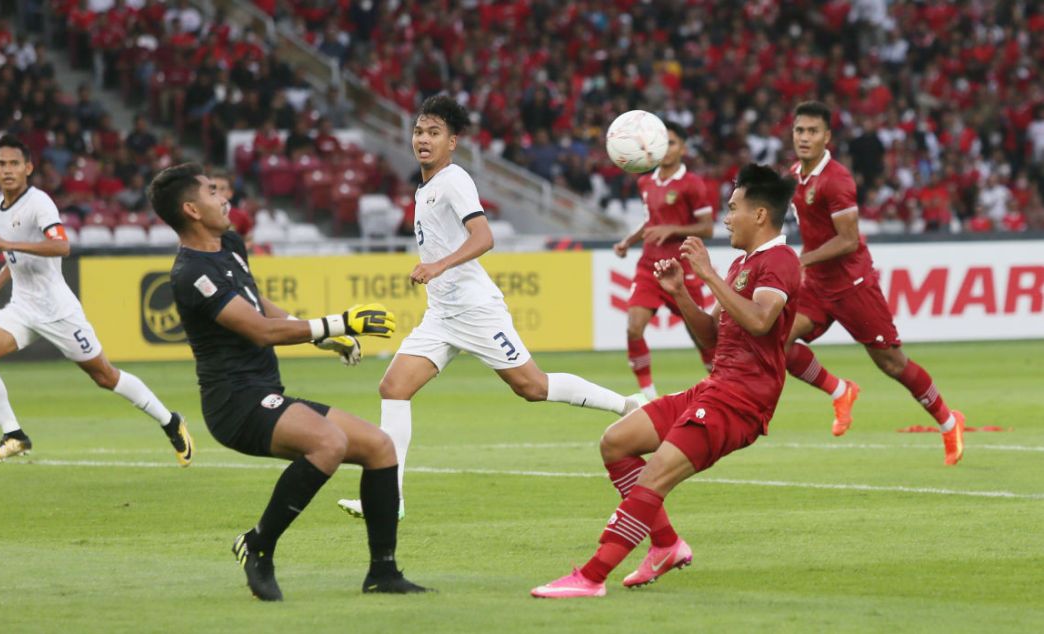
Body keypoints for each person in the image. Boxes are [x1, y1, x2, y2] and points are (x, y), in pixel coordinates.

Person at [338, 96, 639, 519]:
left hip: (475, 310)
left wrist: (438, 266)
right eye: (419, 131)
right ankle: (390, 500)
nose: (423, 139)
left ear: (453, 142)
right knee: (394, 388)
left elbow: (484, 237)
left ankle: (628, 406)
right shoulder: (426, 186)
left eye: (434, 132)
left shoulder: (453, 179)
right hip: (442, 314)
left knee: (532, 387)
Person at [147, 163, 428, 600]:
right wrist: (339, 320)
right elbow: (257, 329)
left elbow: (257, 304)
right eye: (212, 192)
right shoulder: (190, 275)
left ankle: (383, 573)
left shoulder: (230, 244)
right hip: (234, 404)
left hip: (263, 393)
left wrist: (325, 337)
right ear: (191, 210)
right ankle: (257, 545)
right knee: (329, 443)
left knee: (379, 447)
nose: (225, 198)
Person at [531, 164, 800, 598]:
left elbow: (761, 320)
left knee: (654, 478)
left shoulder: (782, 262)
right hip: (717, 386)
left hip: (741, 401)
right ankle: (665, 544)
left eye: (733, 209)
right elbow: (712, 336)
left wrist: (708, 274)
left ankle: (592, 576)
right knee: (616, 442)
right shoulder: (742, 265)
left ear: (761, 215)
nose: (726, 218)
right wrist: (681, 293)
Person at [0, 135, 193, 465]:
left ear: (28, 168)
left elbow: (61, 247)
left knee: (105, 376)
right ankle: (14, 434)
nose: (8, 169)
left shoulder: (39, 202)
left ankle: (170, 421)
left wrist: (6, 245)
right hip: (22, 307)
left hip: (57, 310)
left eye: (15, 163)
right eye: (1, 164)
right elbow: (15, 254)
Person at [784, 101, 964, 464]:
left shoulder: (837, 180)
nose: (805, 137)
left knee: (892, 364)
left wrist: (801, 259)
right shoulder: (797, 174)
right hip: (817, 286)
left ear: (827, 137)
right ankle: (840, 391)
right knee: (777, 340)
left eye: (813, 131)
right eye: (800, 131)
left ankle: (948, 422)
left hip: (852, 285)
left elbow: (847, 240)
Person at [613, 121, 715, 399]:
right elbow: (650, 221)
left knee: (703, 336)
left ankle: (722, 383)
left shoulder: (692, 184)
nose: (666, 148)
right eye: (662, 143)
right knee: (634, 328)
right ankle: (647, 396)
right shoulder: (645, 181)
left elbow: (707, 227)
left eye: (671, 143)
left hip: (682, 269)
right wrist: (628, 242)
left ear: (682, 148)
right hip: (649, 267)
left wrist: (674, 229)